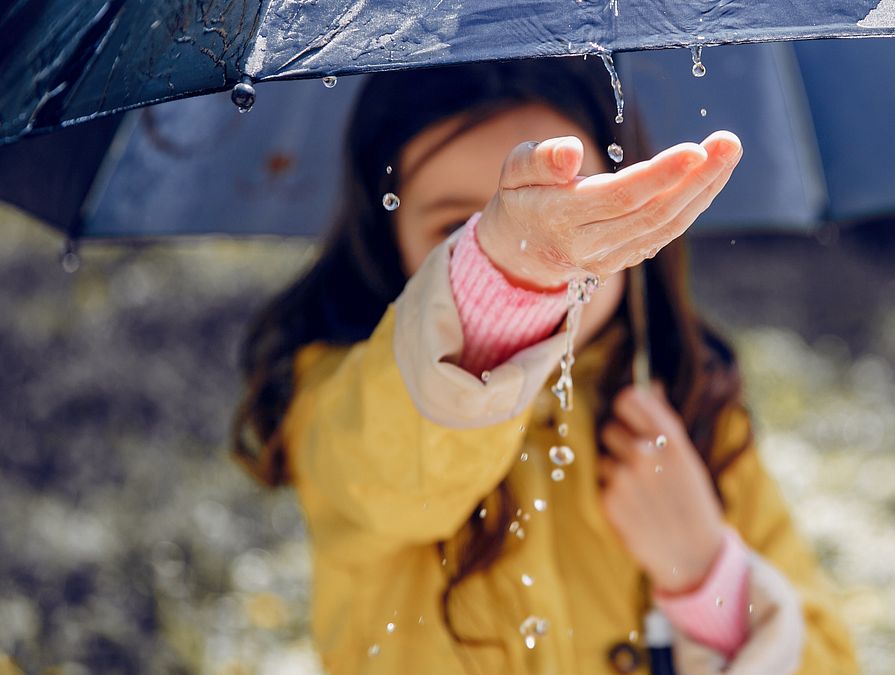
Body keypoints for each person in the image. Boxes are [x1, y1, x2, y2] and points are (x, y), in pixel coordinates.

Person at [232, 57, 857, 674]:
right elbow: (388, 473)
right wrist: (499, 279)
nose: (536, 251)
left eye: (569, 207)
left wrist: (704, 572)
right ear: (387, 240)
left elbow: (829, 663)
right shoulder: (339, 399)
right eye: (462, 230)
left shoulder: (695, 412)